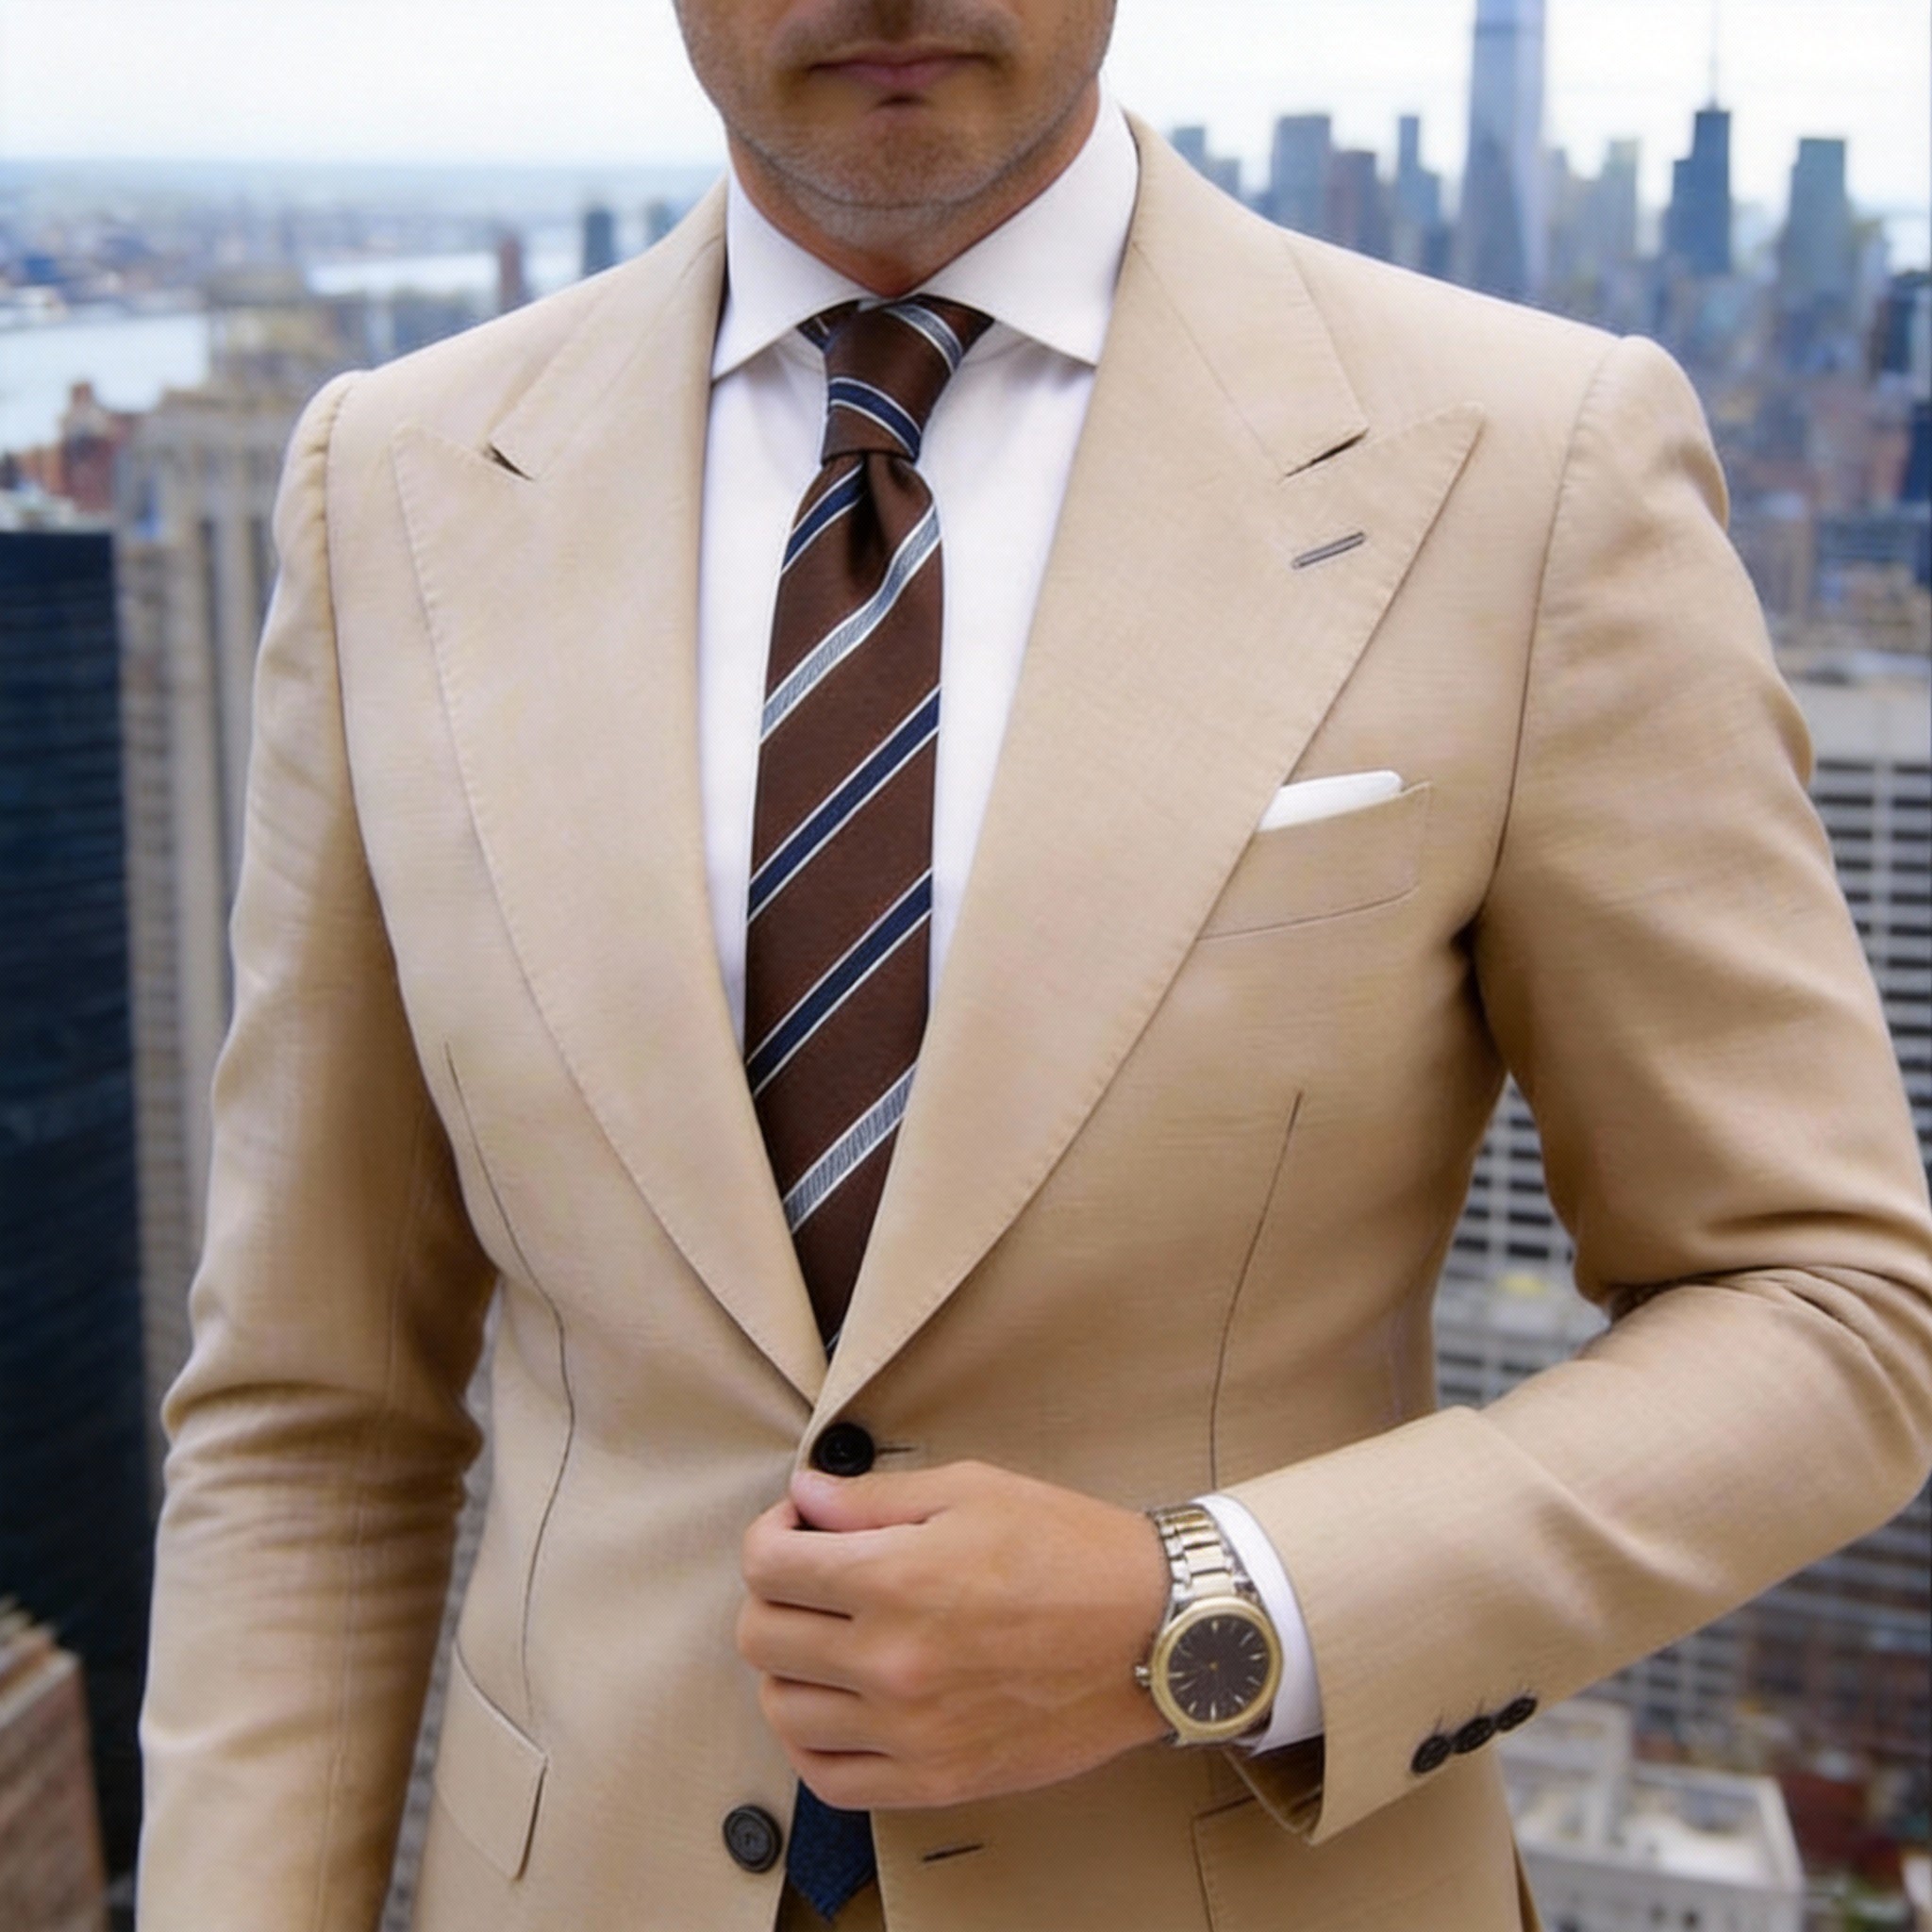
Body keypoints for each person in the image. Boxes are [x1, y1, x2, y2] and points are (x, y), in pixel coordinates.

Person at [136, 3, 1932, 1929]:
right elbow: (310, 1420)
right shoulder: (391, 482)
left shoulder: (1530, 460)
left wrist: (1206, 1610)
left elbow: (1822, 1305)